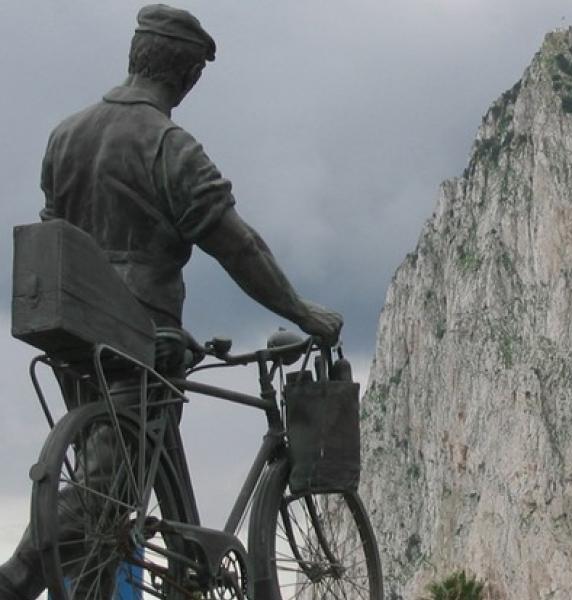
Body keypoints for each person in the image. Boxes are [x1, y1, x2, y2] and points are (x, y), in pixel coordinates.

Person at [0, 4, 343, 598]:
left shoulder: (65, 135)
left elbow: (55, 229)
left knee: (113, 497)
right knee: (110, 490)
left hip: (76, 329)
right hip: (142, 333)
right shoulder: (169, 146)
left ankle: (179, 564)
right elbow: (239, 247)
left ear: (136, 57)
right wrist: (301, 312)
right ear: (186, 76)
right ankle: (16, 579)